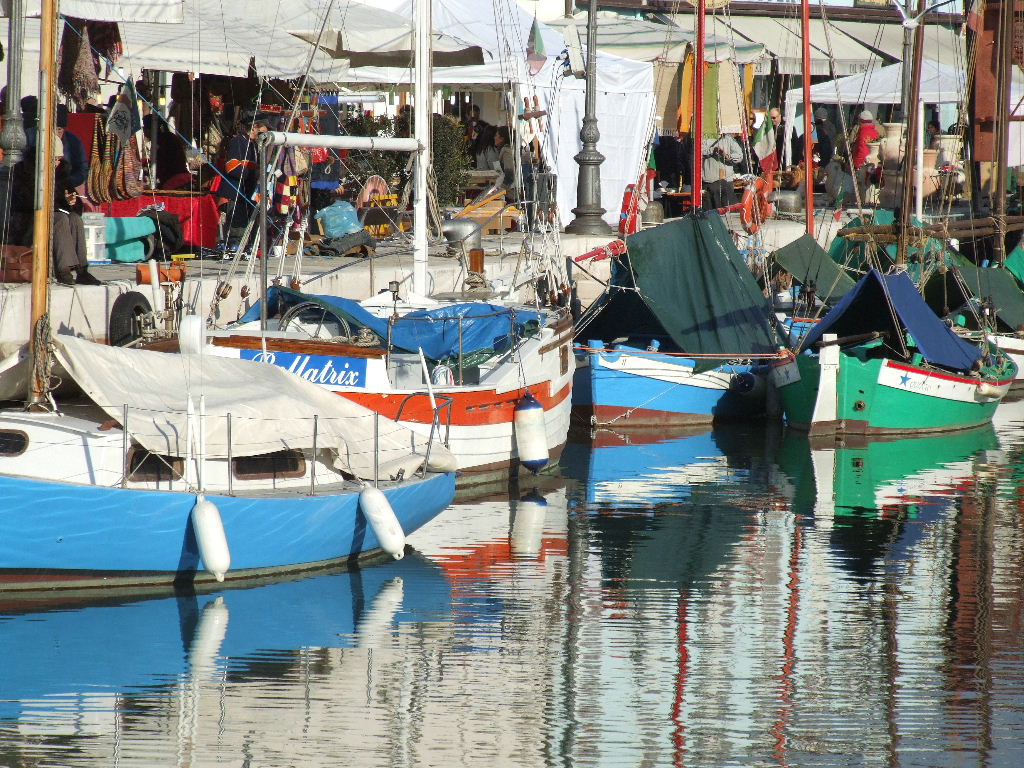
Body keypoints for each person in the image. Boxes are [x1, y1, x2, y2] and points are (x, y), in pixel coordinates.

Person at [222, 112, 271, 247]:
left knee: (247, 228)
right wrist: (254, 173)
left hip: (247, 193)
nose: (266, 131)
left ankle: (244, 250)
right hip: (236, 193)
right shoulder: (238, 141)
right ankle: (234, 251)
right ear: (255, 127)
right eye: (264, 128)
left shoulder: (253, 145)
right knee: (237, 229)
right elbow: (231, 167)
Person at [701, 130, 742, 209]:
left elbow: (739, 156)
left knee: (729, 210)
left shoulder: (728, 138)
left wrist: (728, 156)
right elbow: (698, 152)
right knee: (711, 213)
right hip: (709, 182)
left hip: (726, 181)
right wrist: (713, 150)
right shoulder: (703, 138)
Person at [494, 125, 516, 190]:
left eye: (496, 135)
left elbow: (509, 175)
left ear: (502, 139)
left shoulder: (507, 152)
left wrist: (500, 189)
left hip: (507, 192)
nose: (494, 138)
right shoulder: (503, 150)